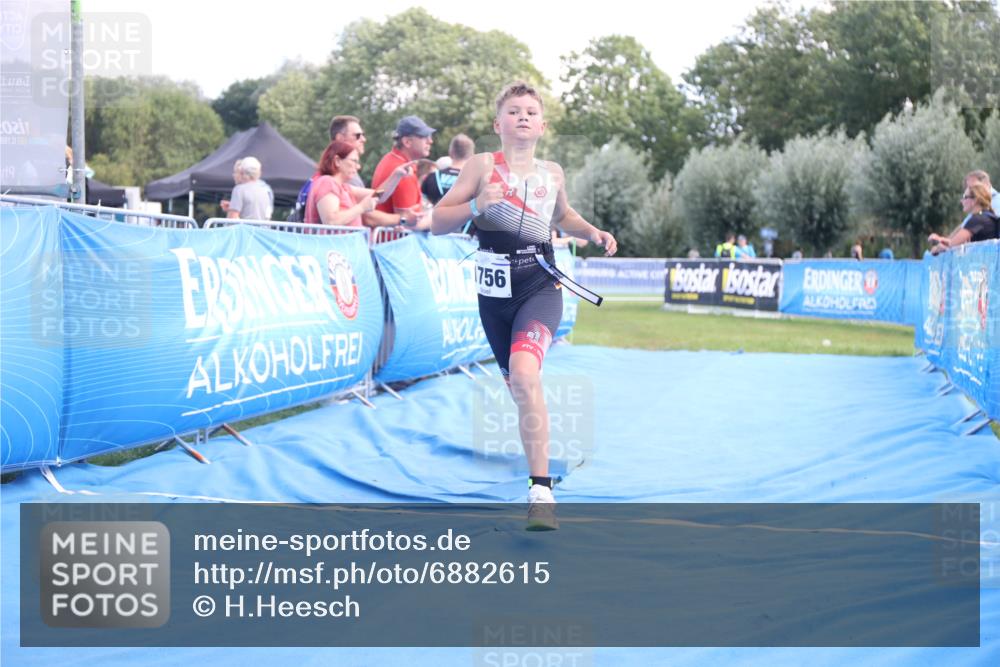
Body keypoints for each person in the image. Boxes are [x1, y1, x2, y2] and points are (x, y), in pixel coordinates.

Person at [431, 82, 617, 531]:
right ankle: (539, 474)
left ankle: (541, 491)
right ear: (498, 124)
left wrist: (593, 232)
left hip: (540, 285)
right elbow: (437, 221)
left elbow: (561, 217)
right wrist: (476, 204)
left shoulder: (552, 172)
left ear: (543, 125)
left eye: (531, 112)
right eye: (513, 112)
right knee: (519, 386)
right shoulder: (479, 166)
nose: (523, 118)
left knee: (527, 373)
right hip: (493, 296)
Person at [304, 140, 411, 226]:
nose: (358, 166)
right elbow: (331, 221)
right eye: (354, 161)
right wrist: (361, 207)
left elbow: (379, 195)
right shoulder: (327, 182)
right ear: (337, 161)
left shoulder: (344, 188)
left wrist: (397, 175)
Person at [371, 115, 437, 231]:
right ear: (407, 142)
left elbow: (375, 197)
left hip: (386, 242)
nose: (430, 141)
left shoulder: (390, 160)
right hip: (394, 244)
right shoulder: (404, 171)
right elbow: (410, 224)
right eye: (424, 137)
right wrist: (436, 217)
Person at [929, 182, 999, 254]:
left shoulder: (977, 220)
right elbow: (954, 242)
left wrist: (937, 249)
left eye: (965, 197)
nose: (961, 201)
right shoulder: (987, 216)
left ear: (975, 200)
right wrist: (941, 240)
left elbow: (952, 246)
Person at [422, 134, 474, 205]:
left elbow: (421, 205)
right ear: (471, 156)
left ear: (451, 152)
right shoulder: (475, 183)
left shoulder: (432, 177)